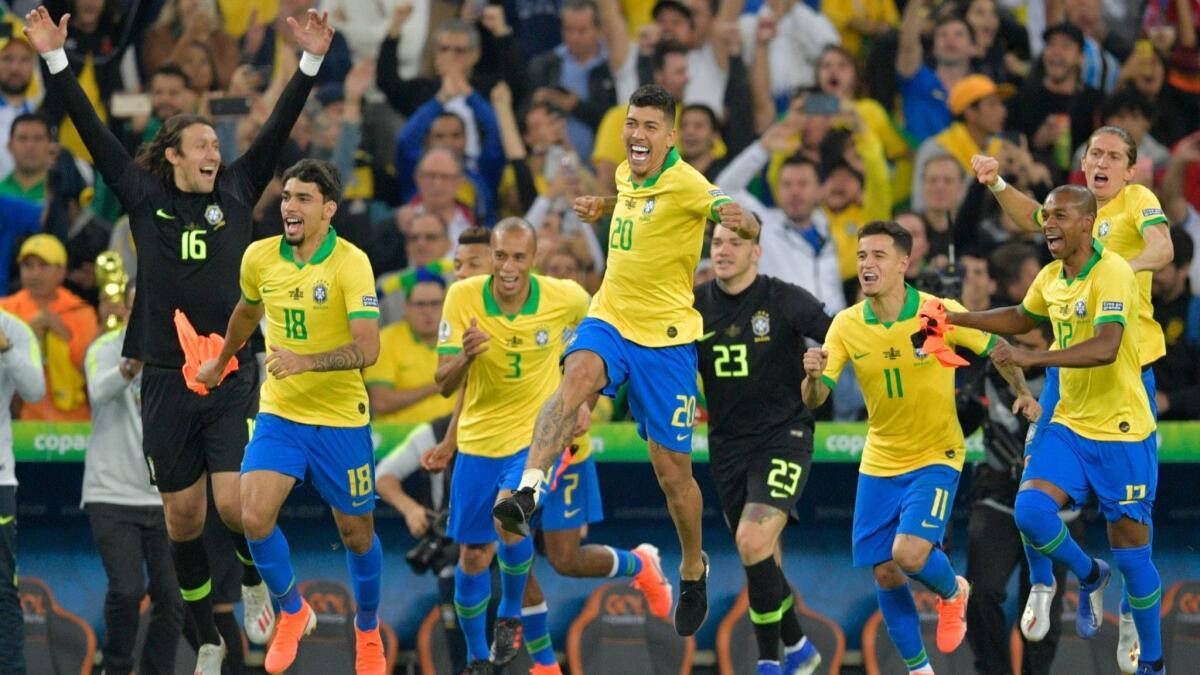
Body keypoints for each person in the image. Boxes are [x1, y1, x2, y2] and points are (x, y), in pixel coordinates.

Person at [25, 5, 335, 670]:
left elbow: (278, 128)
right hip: (164, 375)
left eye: (216, 147)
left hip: (227, 372)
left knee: (234, 503)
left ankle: (255, 581)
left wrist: (309, 63)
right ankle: (209, 639)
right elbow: (89, 126)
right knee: (184, 521)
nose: (213, 154)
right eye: (201, 147)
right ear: (171, 156)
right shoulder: (140, 193)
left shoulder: (239, 186)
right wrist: (55, 59)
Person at [493, 83, 752, 638]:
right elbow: (636, 203)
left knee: (671, 474)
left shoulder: (687, 182)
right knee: (575, 378)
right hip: (610, 316)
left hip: (666, 341)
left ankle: (691, 566)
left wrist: (739, 219)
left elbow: (719, 207)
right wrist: (604, 205)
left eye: (650, 126)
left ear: (671, 135)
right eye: (632, 123)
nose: (637, 134)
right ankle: (529, 489)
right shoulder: (625, 173)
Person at [942, 185, 1165, 675]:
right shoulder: (1050, 275)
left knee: (1134, 555)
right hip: (1068, 422)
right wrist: (956, 318)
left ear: (1088, 223)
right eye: (1044, 216)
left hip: (1123, 430)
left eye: (1060, 216)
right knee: (1031, 510)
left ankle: (1152, 659)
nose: (1047, 224)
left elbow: (1106, 346)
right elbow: (1021, 317)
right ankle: (1089, 574)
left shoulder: (1113, 273)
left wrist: (1032, 356)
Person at [800, 220, 1036, 675]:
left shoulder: (936, 312)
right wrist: (811, 377)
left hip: (937, 455)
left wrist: (1022, 392)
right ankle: (919, 669)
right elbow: (817, 398)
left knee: (909, 555)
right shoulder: (846, 326)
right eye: (862, 255)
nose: (867, 265)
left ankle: (952, 592)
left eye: (878, 256)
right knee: (885, 571)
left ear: (904, 263)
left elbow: (998, 346)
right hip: (880, 460)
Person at [196, 159, 386, 674]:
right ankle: (293, 610)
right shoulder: (260, 257)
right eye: (285, 197)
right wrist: (221, 360)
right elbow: (245, 312)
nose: (289, 207)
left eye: (303, 198)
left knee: (357, 534)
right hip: (281, 412)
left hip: (341, 418)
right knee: (251, 514)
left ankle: (367, 630)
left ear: (328, 210)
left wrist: (308, 361)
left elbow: (368, 349)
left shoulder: (350, 263)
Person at [427, 219, 597, 673]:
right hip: (479, 443)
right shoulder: (463, 298)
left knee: (511, 515)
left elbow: (604, 343)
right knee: (473, 556)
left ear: (534, 259)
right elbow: (443, 384)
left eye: (519, 257)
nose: (508, 267)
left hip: (535, 439)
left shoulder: (567, 297)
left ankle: (509, 615)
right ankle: (477, 658)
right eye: (501, 256)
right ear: (492, 256)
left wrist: (586, 400)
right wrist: (464, 354)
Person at [694, 222, 830, 675]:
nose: (724, 250)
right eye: (718, 243)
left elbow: (839, 333)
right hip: (728, 447)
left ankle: (770, 662)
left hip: (784, 438)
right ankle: (797, 651)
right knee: (763, 556)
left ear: (757, 252)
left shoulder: (784, 298)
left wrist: (821, 365)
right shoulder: (694, 305)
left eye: (736, 243)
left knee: (751, 542)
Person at [959, 322, 1079, 675]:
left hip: (1053, 510)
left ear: (1049, 345)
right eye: (1015, 343)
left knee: (1044, 613)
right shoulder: (988, 372)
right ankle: (992, 671)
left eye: (1029, 346)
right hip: (997, 500)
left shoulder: (1071, 378)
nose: (1019, 353)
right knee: (981, 596)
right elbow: (960, 422)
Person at [83, 263, 184, 675]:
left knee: (173, 599)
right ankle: (118, 667)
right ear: (124, 312)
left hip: (164, 497)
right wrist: (132, 364)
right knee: (127, 590)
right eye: (136, 309)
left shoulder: (180, 351)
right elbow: (98, 391)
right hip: (111, 494)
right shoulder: (104, 347)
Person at [0, 234, 97, 421]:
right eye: (28, 266)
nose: (34, 274)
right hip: (20, 421)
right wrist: (25, 335)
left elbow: (92, 371)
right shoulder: (5, 310)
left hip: (76, 423)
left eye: (43, 266)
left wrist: (65, 334)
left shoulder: (81, 312)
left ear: (61, 271)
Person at [0, 301, 45, 672]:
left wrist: (6, 348)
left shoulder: (13, 329)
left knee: (2, 590)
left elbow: (34, 390)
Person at [365, 272, 455, 424]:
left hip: (454, 436)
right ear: (406, 307)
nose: (427, 311)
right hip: (401, 438)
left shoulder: (460, 337)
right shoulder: (385, 340)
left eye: (435, 303)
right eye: (420, 304)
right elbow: (381, 402)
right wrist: (438, 386)